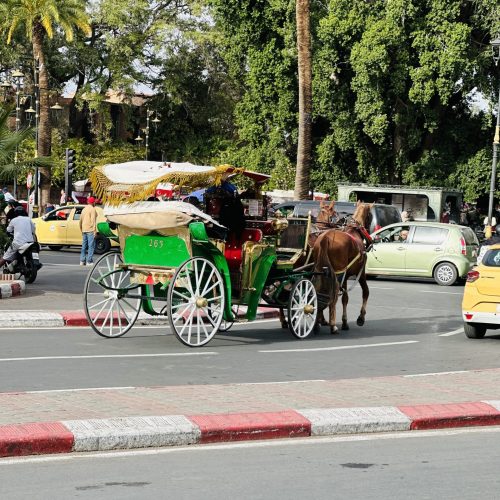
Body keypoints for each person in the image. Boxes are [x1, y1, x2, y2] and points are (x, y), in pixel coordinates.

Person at [79, 196, 97, 266]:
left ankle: (82, 260)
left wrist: (81, 229)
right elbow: (93, 221)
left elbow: (80, 221)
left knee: (84, 246)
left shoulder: (84, 209)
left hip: (84, 229)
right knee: (91, 246)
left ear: (88, 202)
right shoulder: (92, 209)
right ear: (93, 202)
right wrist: (95, 231)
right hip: (90, 230)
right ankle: (89, 261)